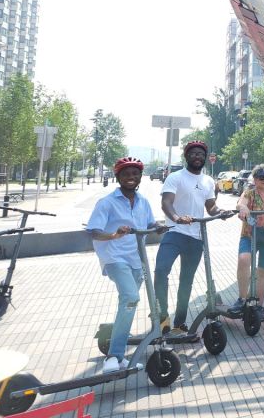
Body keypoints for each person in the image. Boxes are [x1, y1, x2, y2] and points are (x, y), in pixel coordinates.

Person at [86, 156, 161, 373]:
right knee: (131, 297)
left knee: (127, 305)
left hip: (137, 259)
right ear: (118, 177)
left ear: (139, 177)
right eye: (126, 174)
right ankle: (113, 356)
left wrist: (158, 227)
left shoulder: (143, 202)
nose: (131, 177)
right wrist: (114, 234)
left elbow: (149, 222)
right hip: (114, 257)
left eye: (135, 173)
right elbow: (94, 232)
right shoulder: (107, 202)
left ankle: (118, 358)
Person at [154, 140, 220, 336]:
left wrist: (220, 211)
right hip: (174, 232)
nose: (197, 156)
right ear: (186, 156)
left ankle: (179, 323)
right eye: (193, 153)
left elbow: (211, 207)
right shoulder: (175, 177)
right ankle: (162, 316)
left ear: (205, 158)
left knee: (186, 280)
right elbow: (166, 202)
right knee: (161, 271)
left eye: (201, 154)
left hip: (196, 237)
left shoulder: (208, 181)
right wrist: (176, 218)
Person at [228, 163, 264, 321]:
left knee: (263, 271)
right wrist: (243, 209)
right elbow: (241, 203)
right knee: (244, 259)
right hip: (250, 235)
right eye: (261, 177)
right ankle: (242, 299)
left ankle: (259, 305)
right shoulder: (250, 193)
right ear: (254, 179)